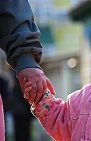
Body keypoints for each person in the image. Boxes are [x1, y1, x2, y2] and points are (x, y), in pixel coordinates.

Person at [0, 0, 55, 140]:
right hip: (21, 109)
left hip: (21, 110)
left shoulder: (13, 76)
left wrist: (26, 59)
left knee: (23, 134)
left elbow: (10, 6)